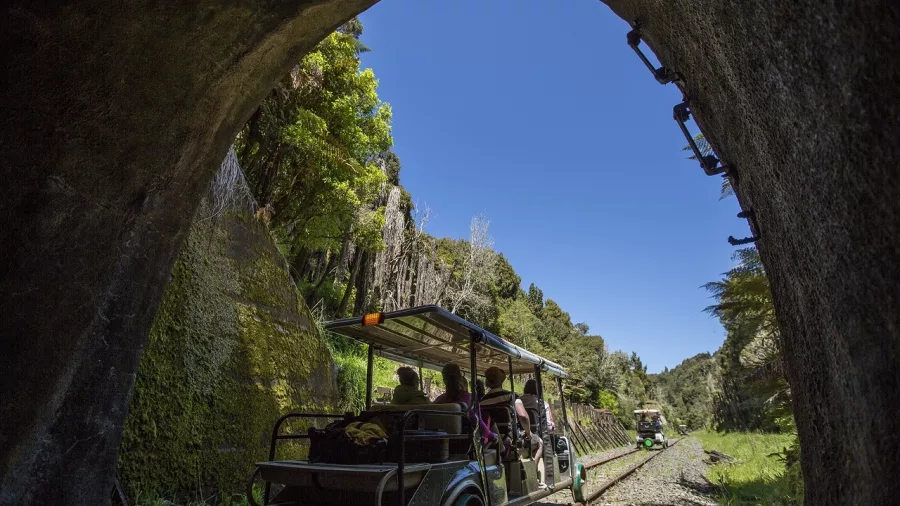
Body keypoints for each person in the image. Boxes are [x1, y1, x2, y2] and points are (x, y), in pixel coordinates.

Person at [481, 366, 546, 489]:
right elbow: (523, 416)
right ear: (502, 380)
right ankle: (531, 478)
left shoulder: (482, 400)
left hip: (490, 441)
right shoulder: (511, 396)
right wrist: (528, 433)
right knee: (539, 443)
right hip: (509, 439)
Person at [433, 364, 502, 449]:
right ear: (460, 376)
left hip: (442, 443)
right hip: (467, 444)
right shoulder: (470, 398)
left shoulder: (439, 400)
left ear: (444, 379)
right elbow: (477, 423)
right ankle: (503, 450)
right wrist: (492, 436)